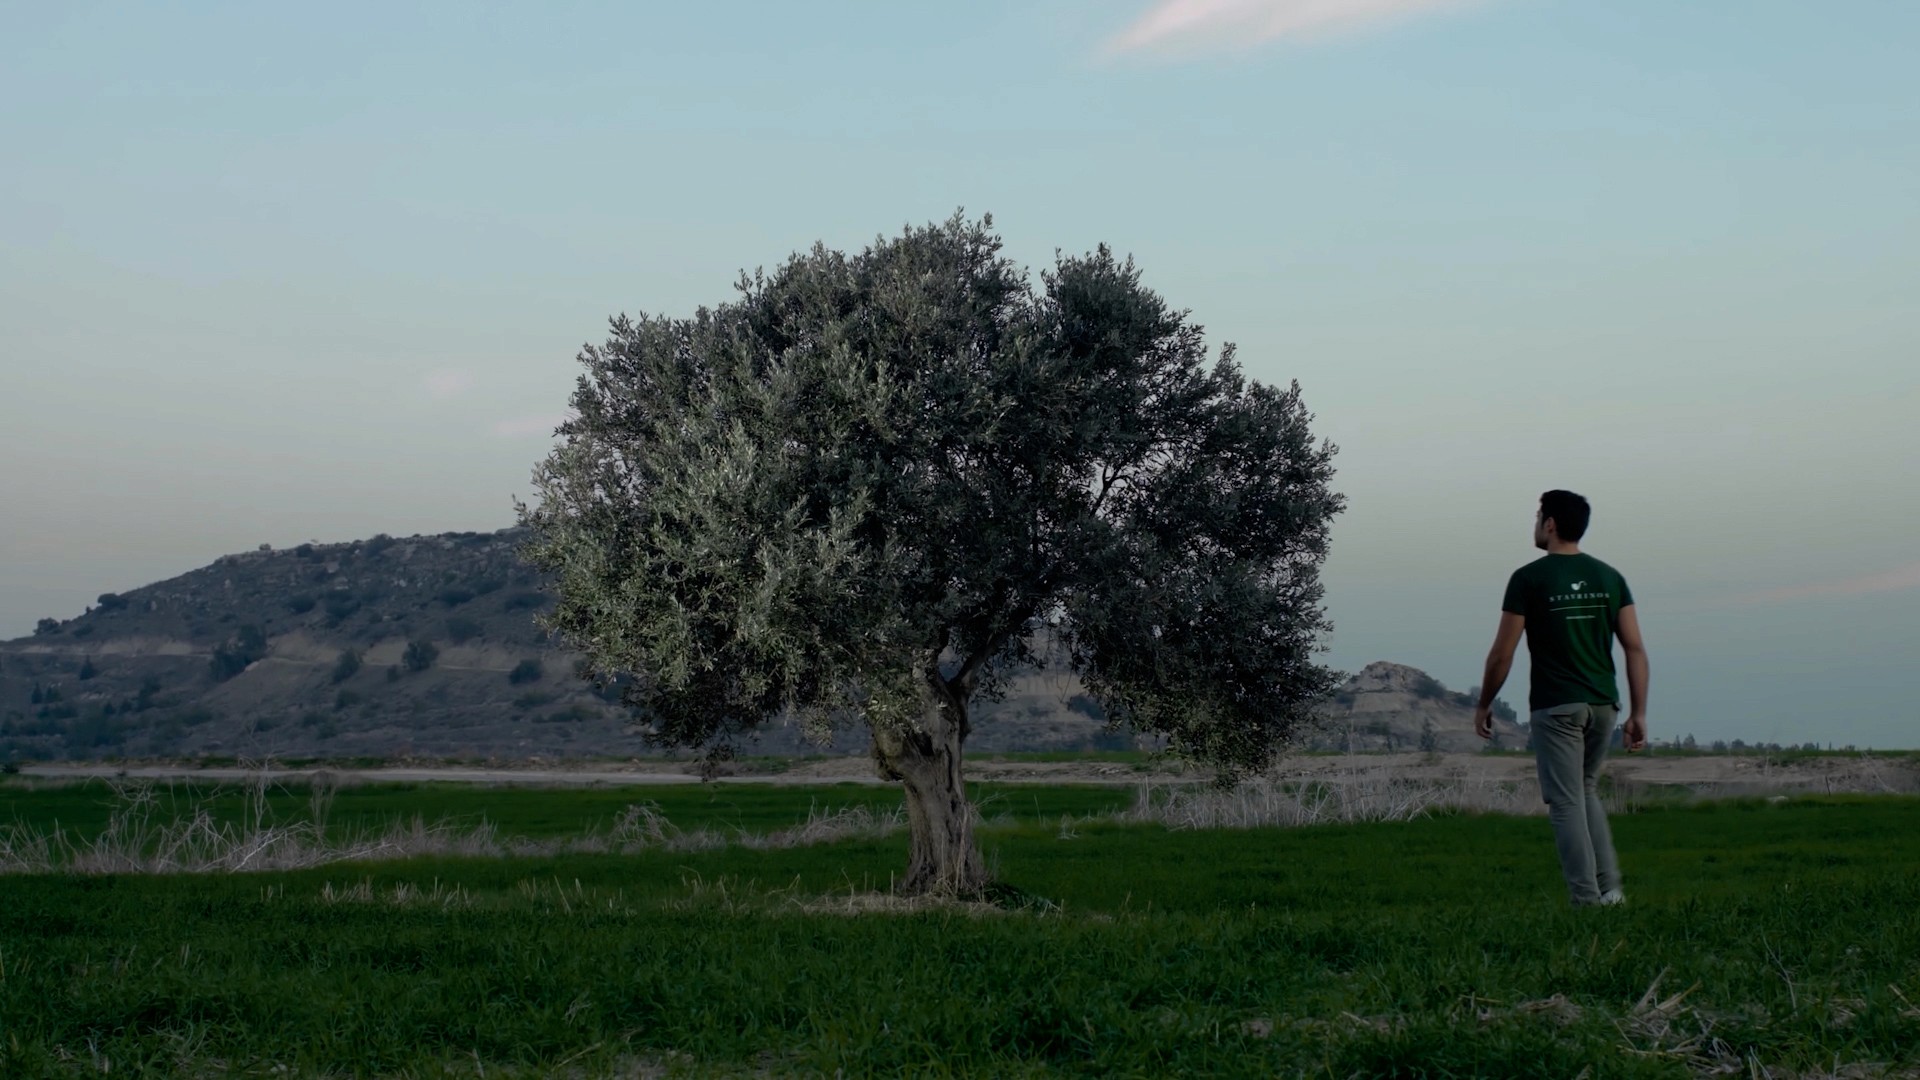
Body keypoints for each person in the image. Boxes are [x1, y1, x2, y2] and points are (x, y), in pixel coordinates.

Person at [1474, 490, 1649, 907]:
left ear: (1550, 523)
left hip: (1556, 707)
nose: (1535, 523)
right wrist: (1639, 712)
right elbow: (1635, 649)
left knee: (1565, 801)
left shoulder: (1528, 579)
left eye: (1538, 516)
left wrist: (1484, 703)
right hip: (1604, 705)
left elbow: (1503, 653)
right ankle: (1611, 891)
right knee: (1585, 791)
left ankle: (1586, 901)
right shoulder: (1610, 577)